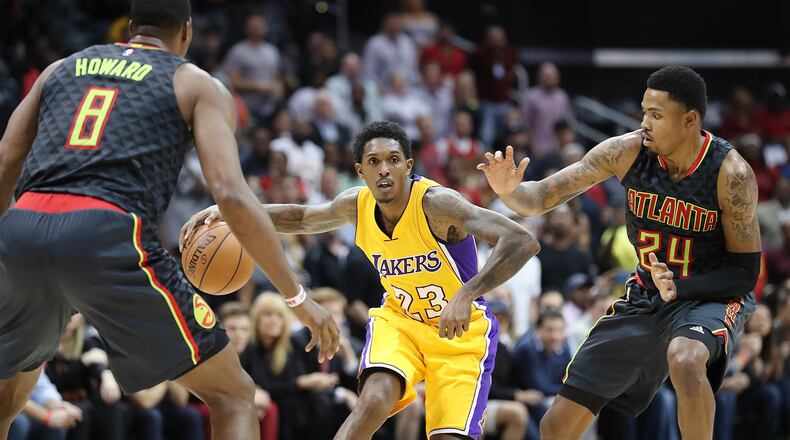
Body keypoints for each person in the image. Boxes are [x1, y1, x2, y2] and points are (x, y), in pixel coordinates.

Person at [0, 1, 338, 439]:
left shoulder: (60, 69)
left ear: (131, 26)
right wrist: (296, 296)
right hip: (105, 232)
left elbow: (7, 158)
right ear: (187, 33)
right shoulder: (194, 82)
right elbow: (233, 196)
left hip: (23, 229)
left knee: (6, 399)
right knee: (235, 395)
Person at [182, 120, 540, 439]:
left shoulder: (439, 204)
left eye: (393, 160)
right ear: (360, 170)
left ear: (408, 166)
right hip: (401, 321)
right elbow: (303, 217)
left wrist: (468, 292)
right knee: (373, 400)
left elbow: (522, 240)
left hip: (460, 334)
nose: (384, 169)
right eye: (374, 162)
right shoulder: (356, 205)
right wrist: (231, 211)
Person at [478, 65, 762, 439]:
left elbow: (745, 274)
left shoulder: (730, 173)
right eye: (644, 111)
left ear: (689, 120)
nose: (644, 122)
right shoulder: (626, 151)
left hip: (708, 295)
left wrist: (681, 288)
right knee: (556, 425)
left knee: (687, 356)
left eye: (656, 115)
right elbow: (540, 197)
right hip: (646, 294)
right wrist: (509, 190)